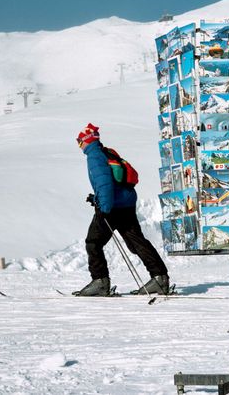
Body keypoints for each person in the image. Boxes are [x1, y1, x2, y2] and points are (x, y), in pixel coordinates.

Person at [73, 123, 170, 296]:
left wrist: (104, 207)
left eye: (79, 141)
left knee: (93, 243)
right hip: (126, 204)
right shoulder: (107, 151)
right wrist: (96, 198)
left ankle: (100, 282)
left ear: (87, 140)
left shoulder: (94, 156)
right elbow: (112, 183)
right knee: (137, 243)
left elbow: (104, 183)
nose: (79, 145)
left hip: (112, 208)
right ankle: (160, 278)